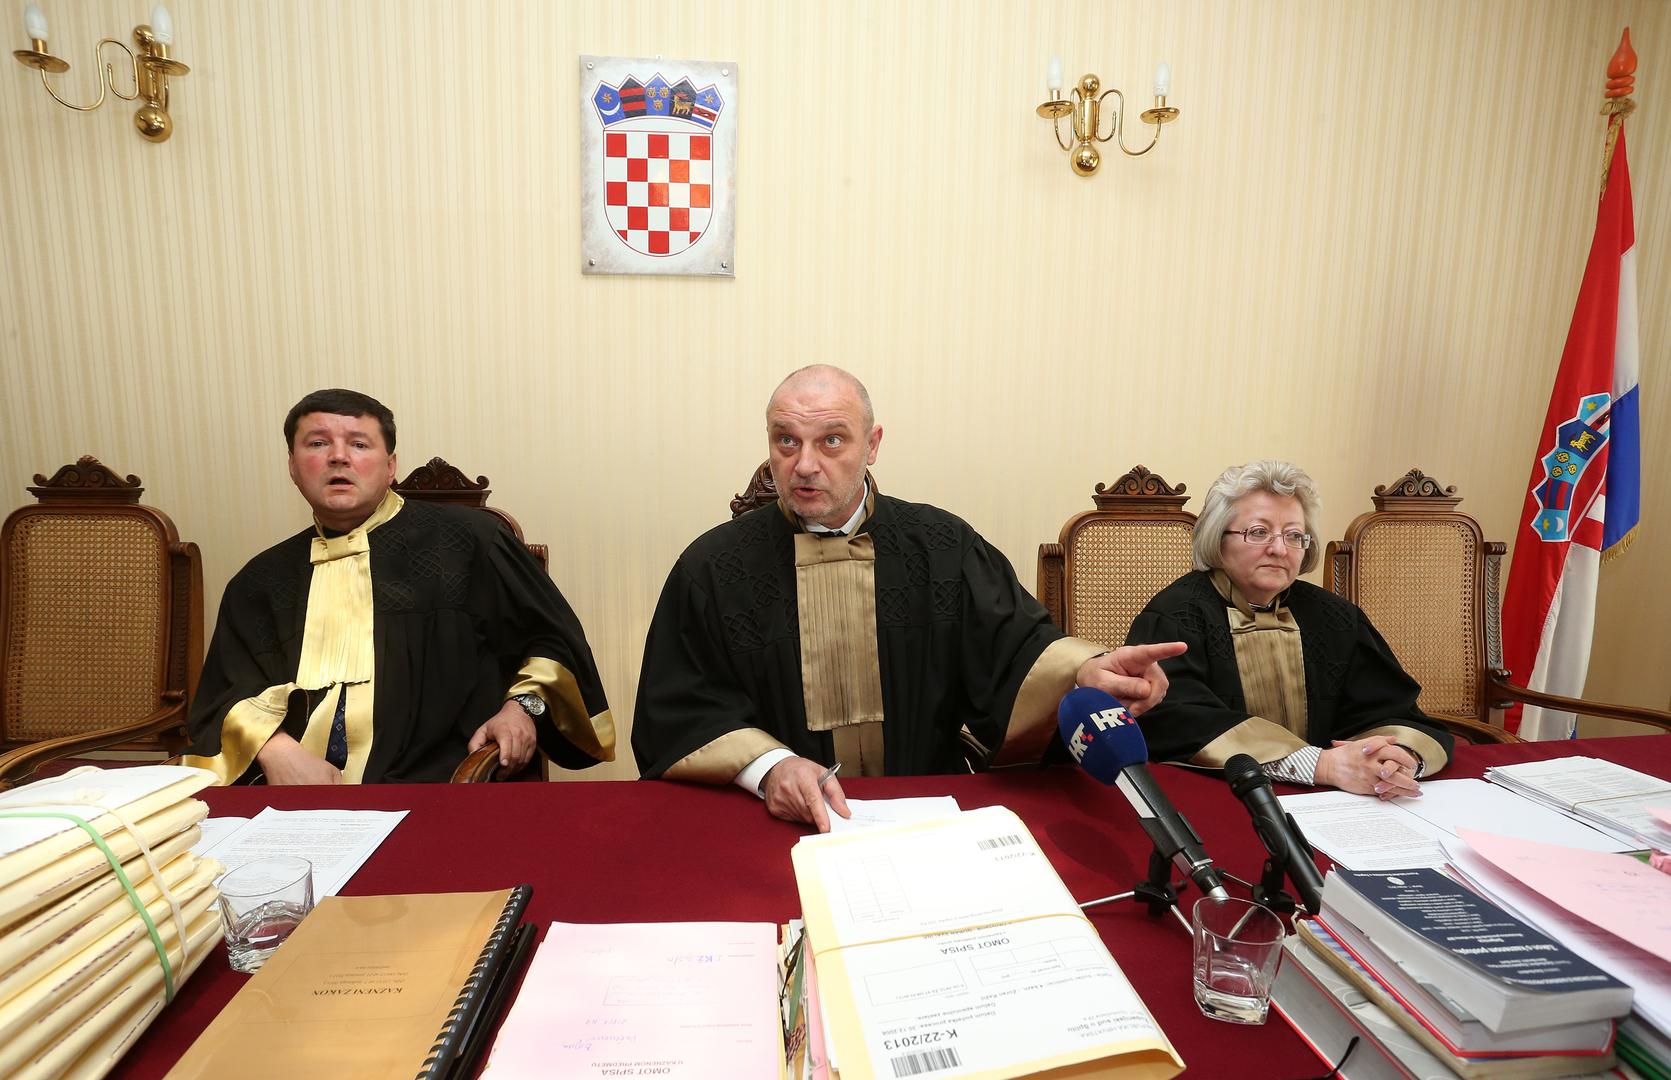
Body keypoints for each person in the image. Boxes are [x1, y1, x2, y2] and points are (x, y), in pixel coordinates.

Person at [631, 365, 1185, 829]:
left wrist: (1084, 671)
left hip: (927, 814)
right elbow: (680, 707)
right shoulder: (713, 567)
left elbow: (1014, 650)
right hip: (778, 821)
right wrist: (768, 767)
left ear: (872, 445)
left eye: (831, 440)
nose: (804, 464)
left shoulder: (944, 546)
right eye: (786, 440)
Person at [184, 389, 613, 784]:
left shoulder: (471, 543)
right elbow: (224, 696)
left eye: (359, 444)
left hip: (444, 788)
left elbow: (553, 643)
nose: (338, 457)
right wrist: (275, 749)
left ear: (390, 467)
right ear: (293, 467)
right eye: (317, 443)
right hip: (294, 801)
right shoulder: (259, 580)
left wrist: (520, 709)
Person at [1124, 459, 1451, 799]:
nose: (1279, 549)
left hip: (1338, 802)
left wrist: (1395, 760)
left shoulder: (1336, 616)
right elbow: (1172, 723)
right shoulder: (1175, 615)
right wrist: (1320, 765)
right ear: (1218, 540)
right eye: (1258, 532)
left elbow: (1391, 712)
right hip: (1218, 797)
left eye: (1294, 536)